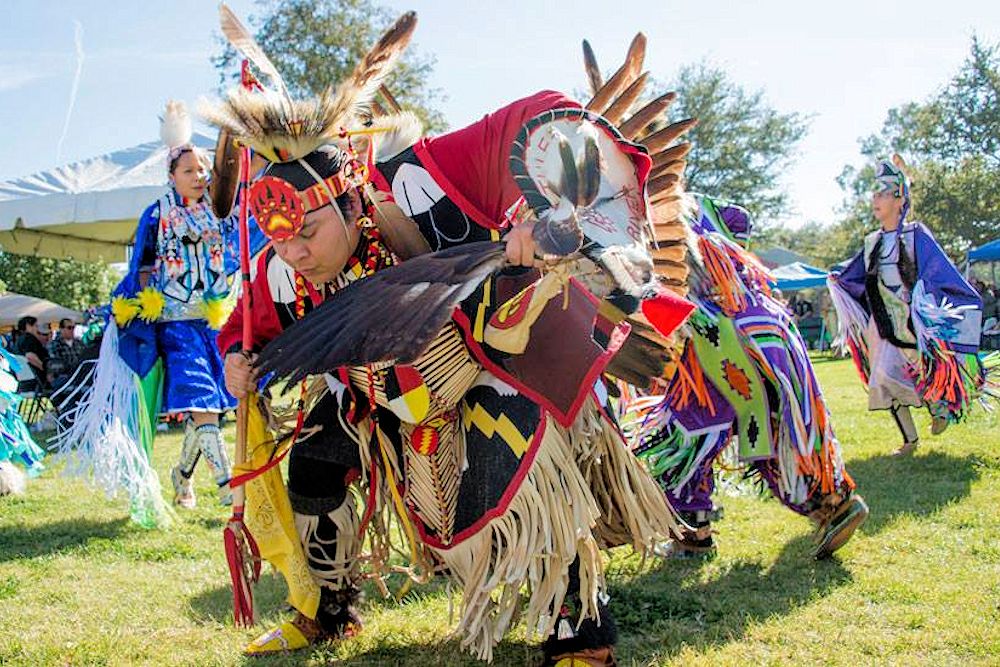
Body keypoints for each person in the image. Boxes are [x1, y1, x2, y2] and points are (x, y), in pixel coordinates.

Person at [204, 9, 695, 664]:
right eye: (278, 239)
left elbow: (538, 115)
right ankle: (327, 608)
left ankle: (579, 630)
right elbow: (249, 323)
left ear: (352, 202)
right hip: (377, 395)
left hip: (488, 361)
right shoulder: (283, 271)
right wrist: (237, 356)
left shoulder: (422, 181)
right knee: (315, 466)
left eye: (308, 233)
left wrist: (543, 210)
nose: (293, 252)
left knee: (522, 474)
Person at [629, 195, 868, 559]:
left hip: (723, 342)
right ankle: (835, 502)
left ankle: (693, 533)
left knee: (685, 436)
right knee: (773, 433)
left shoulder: (667, 212)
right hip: (767, 332)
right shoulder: (705, 220)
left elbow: (659, 287)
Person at [52, 101, 247, 526]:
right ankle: (228, 488)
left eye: (202, 170)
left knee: (210, 407)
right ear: (172, 175)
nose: (199, 176)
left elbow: (243, 242)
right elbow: (140, 268)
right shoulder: (157, 215)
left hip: (213, 323)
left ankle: (181, 476)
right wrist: (133, 312)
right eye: (189, 171)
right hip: (175, 326)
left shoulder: (221, 212)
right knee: (202, 404)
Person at [828, 156, 991, 455]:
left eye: (882, 193)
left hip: (916, 323)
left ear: (899, 199)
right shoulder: (871, 242)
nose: (875, 199)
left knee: (924, 370)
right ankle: (909, 440)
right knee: (884, 378)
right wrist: (837, 280)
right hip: (883, 325)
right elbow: (856, 276)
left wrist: (925, 304)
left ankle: (938, 408)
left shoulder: (916, 235)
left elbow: (938, 271)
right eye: (874, 194)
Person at [47, 318, 84, 388]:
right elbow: (56, 364)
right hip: (62, 377)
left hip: (79, 376)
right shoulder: (54, 344)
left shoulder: (79, 343)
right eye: (69, 328)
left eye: (74, 327)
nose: (72, 330)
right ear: (61, 329)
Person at [13, 316, 50, 387]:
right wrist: (45, 370)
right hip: (37, 380)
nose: (37, 329)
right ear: (28, 326)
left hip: (25, 381)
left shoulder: (19, 340)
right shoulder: (29, 338)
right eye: (36, 326)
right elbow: (30, 357)